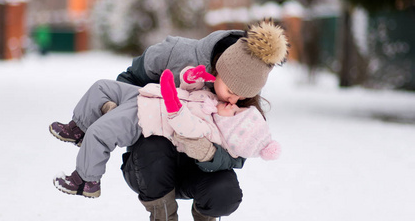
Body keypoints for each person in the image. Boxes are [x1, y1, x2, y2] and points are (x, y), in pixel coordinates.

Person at [49, 19, 288, 221]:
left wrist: (209, 153)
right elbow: (128, 80)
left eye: (242, 97)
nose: (233, 101)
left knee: (225, 191)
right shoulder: (174, 54)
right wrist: (116, 108)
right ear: (220, 68)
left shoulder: (239, 106)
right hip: (150, 156)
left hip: (197, 167)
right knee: (118, 116)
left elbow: (240, 152)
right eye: (232, 91)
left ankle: (204, 217)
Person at [51, 66, 281, 196]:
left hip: (144, 118)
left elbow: (184, 125)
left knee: (100, 133)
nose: (234, 105)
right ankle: (78, 128)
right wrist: (191, 78)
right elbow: (190, 89)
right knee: (102, 86)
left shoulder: (210, 131)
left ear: (231, 131)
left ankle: (86, 181)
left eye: (236, 114)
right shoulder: (213, 101)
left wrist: (172, 101)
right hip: (146, 95)